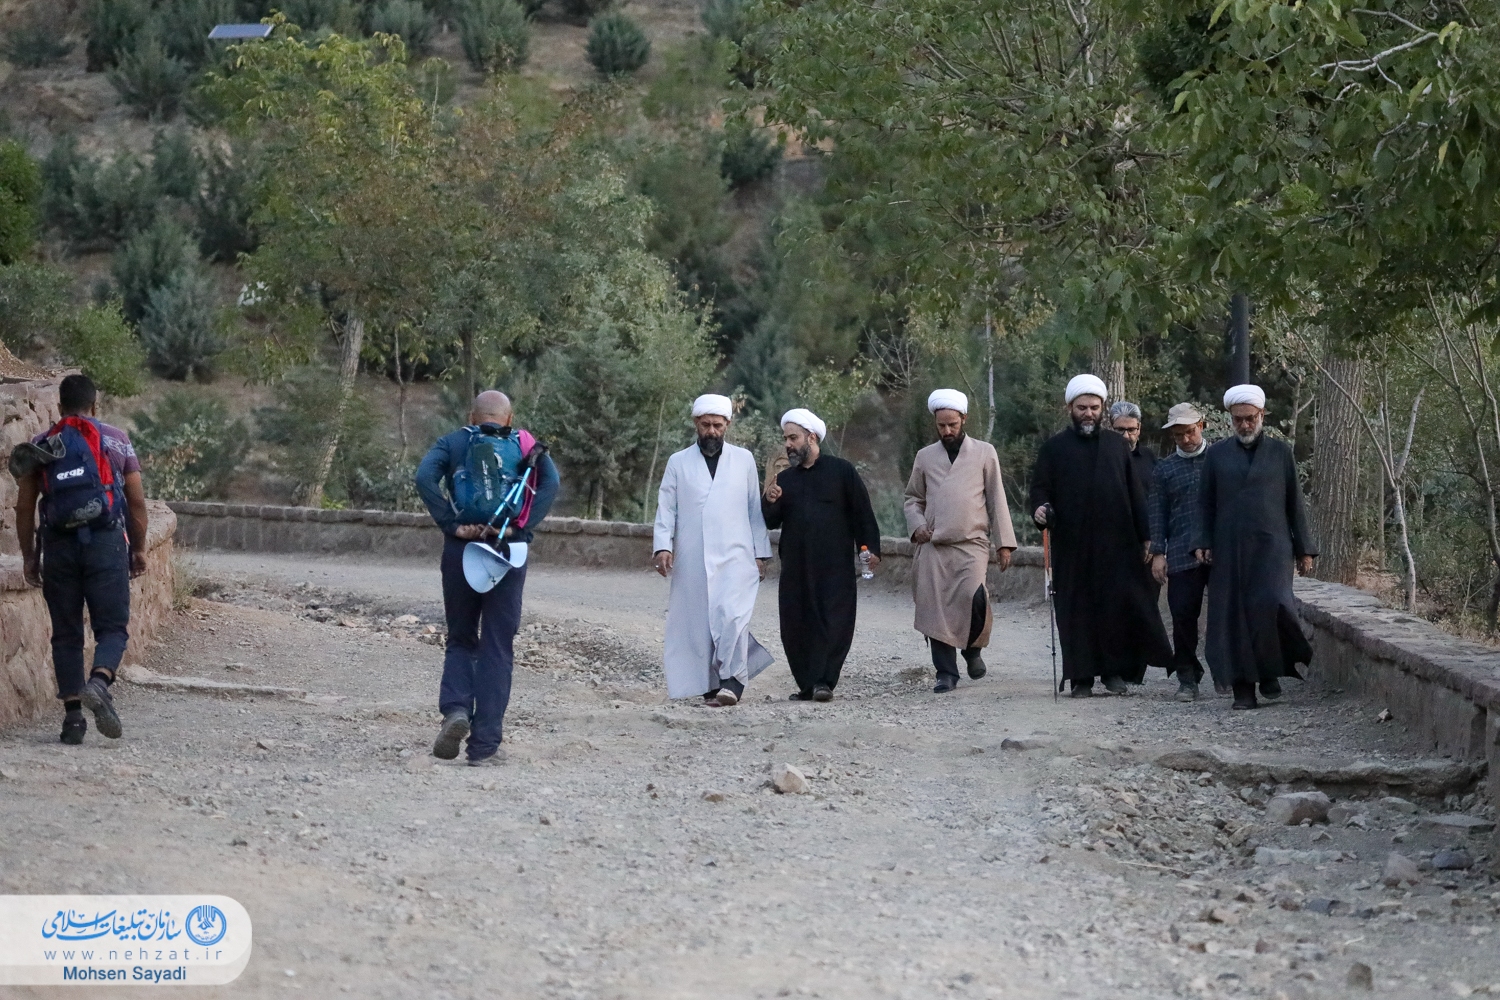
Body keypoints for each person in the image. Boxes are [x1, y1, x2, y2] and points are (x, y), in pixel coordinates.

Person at [415, 390, 560, 765]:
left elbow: (424, 477)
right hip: (507, 550)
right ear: (509, 419)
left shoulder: (453, 441)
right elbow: (551, 483)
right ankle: (484, 746)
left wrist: (451, 524)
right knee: (498, 645)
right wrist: (520, 528)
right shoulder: (524, 443)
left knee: (461, 637)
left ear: (472, 416)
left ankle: (456, 709)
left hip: (461, 548)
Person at [10, 374, 149, 745]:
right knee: (112, 627)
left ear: (59, 407)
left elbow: (24, 506)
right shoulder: (116, 439)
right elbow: (136, 501)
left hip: (59, 547)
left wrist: (29, 556)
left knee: (66, 631)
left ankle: (73, 720)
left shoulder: (41, 445)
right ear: (94, 405)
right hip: (105, 542)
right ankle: (99, 682)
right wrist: (138, 548)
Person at [1029, 374, 1171, 697]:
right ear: (1069, 408)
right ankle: (1081, 677)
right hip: (1072, 546)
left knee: (1114, 609)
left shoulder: (1116, 445)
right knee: (1075, 610)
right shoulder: (1053, 449)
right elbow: (1039, 491)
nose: (1088, 413)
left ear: (1102, 408)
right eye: (1082, 408)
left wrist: (1147, 537)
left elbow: (1135, 494)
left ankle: (1113, 673)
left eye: (1094, 408)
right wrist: (1040, 510)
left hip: (1115, 545)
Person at [1193, 385, 1318, 710]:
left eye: (1250, 418)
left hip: (1272, 548)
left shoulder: (1280, 453)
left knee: (1273, 606)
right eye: (1238, 420)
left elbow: (1295, 502)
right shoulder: (1217, 455)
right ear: (1230, 419)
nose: (1245, 425)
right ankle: (1243, 689)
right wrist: (1202, 541)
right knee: (1233, 616)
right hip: (1229, 549)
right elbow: (1205, 503)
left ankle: (1271, 671)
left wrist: (1304, 548)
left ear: (1262, 415)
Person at [653, 394, 773, 707]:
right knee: (701, 621)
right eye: (706, 425)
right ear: (696, 423)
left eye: (717, 425)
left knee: (733, 616)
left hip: (737, 554)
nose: (711, 431)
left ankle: (734, 681)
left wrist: (760, 553)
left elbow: (754, 508)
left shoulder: (744, 460)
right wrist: (663, 546)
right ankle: (710, 683)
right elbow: (666, 508)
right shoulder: (678, 462)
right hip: (693, 554)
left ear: (727, 425)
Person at [762, 408, 881, 702]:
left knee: (834, 623)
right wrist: (769, 499)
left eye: (793, 438)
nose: (788, 445)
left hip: (834, 566)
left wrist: (869, 548)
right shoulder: (785, 479)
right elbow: (770, 521)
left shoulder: (842, 471)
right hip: (796, 566)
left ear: (812, 438)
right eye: (786, 439)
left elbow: (862, 514)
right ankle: (808, 684)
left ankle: (824, 681)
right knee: (795, 625)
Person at [903, 389, 1018, 693]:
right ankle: (945, 673)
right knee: (935, 607)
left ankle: (972, 649)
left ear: (964, 419)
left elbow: (996, 498)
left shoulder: (984, 452)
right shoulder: (925, 456)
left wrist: (1004, 543)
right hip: (934, 546)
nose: (947, 431)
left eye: (952, 424)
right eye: (941, 425)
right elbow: (913, 499)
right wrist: (917, 526)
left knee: (974, 596)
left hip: (972, 542)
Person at [1150, 403, 1212, 701]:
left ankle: (1233, 672)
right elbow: (1157, 512)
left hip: (1220, 549)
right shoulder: (1165, 469)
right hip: (1180, 551)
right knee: (1183, 613)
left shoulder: (1219, 458)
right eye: (1178, 435)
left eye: (1190, 432)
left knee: (1226, 613)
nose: (1186, 439)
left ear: (1201, 426)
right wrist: (1158, 552)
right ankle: (1187, 675)